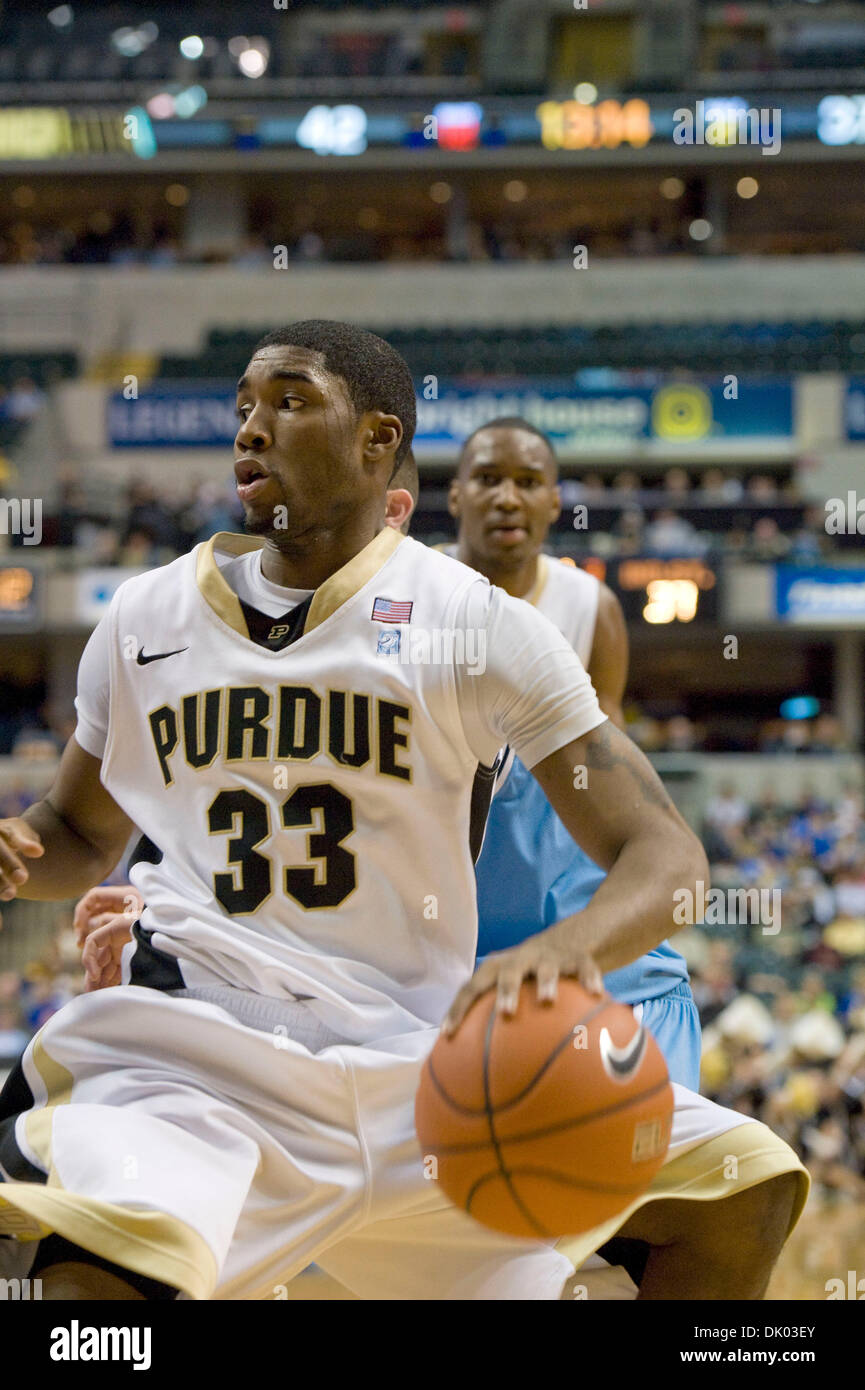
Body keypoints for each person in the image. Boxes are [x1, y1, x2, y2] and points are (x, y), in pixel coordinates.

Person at [0, 321, 708, 1302]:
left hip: (416, 1061)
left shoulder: (481, 622)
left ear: (380, 440)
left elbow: (667, 859)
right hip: (198, 1049)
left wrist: (569, 947)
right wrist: (19, 849)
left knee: (738, 1187)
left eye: (288, 401)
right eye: (244, 404)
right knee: (99, 1284)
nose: (251, 427)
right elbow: (74, 837)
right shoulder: (144, 617)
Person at [445, 418, 700, 1092]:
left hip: (549, 850)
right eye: (488, 479)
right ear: (455, 496)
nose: (507, 498)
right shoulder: (417, 591)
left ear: (554, 502)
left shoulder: (590, 605)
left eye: (527, 483)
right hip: (449, 858)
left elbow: (605, 757)